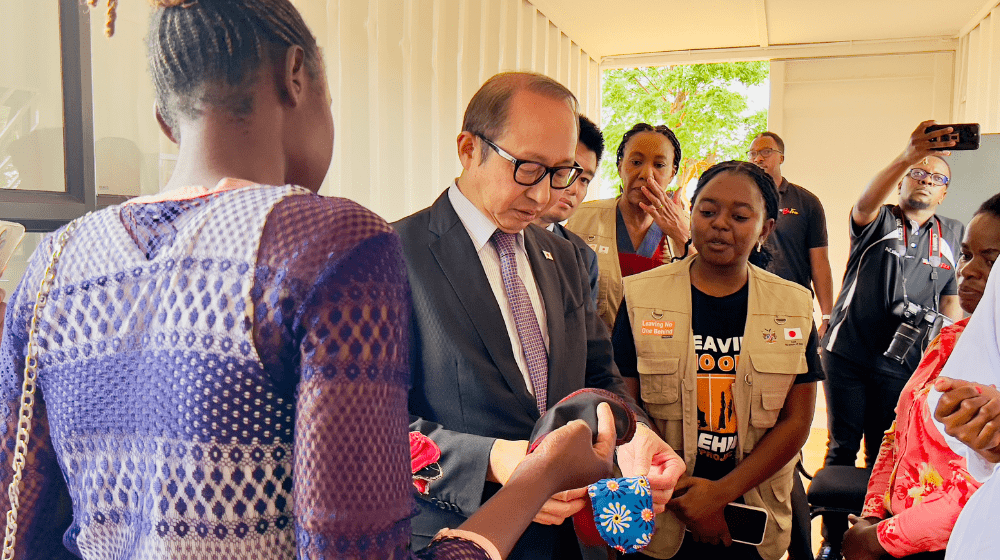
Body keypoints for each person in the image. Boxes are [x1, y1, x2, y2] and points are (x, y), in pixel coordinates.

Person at [0, 3, 618, 559]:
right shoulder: (332, 243)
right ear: (297, 76)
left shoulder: (54, 263)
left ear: (166, 118)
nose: (545, 192)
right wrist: (535, 478)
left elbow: (21, 526)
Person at [393, 72, 684, 560]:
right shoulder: (393, 255)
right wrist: (495, 460)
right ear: (468, 149)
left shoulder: (565, 257)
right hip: (461, 535)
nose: (545, 194)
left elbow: (599, 377)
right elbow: (368, 428)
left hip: (572, 540)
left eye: (563, 171)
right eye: (527, 167)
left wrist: (635, 434)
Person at [612, 161, 823, 560]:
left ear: (766, 227)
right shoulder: (643, 296)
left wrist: (721, 494)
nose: (720, 224)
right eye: (707, 211)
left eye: (740, 216)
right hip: (662, 506)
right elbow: (628, 408)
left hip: (750, 505)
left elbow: (797, 421)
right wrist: (686, 497)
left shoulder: (793, 305)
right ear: (690, 215)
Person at [818, 121, 966, 560]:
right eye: (917, 172)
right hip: (848, 353)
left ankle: (873, 537)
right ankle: (832, 541)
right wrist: (908, 153)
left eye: (937, 177)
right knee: (842, 445)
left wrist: (946, 361)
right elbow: (865, 201)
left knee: (885, 452)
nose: (925, 179)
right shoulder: (878, 219)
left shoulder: (953, 234)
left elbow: (951, 300)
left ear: (944, 194)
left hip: (904, 364)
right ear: (901, 182)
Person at [839, 193, 1000, 560]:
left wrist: (879, 538)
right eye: (966, 254)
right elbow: (898, 432)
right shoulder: (949, 337)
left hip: (948, 543)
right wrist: (871, 515)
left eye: (990, 260)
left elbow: (981, 484)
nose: (968, 271)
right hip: (893, 530)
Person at [566, 123, 690, 331]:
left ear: (672, 173)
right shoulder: (581, 219)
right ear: (620, 166)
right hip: (597, 353)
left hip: (660, 354)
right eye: (636, 162)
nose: (646, 174)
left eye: (659, 165)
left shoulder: (688, 228)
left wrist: (680, 236)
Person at [747, 132, 833, 335]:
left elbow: (819, 261)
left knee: (800, 367)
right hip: (748, 305)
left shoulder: (806, 202)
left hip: (793, 309)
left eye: (766, 152)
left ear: (781, 158)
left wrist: (827, 316)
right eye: (752, 154)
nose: (758, 158)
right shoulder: (741, 200)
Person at [533, 114, 602, 311]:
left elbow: (585, 336)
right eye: (568, 171)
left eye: (584, 180)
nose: (573, 188)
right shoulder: (493, 235)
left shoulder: (582, 257)